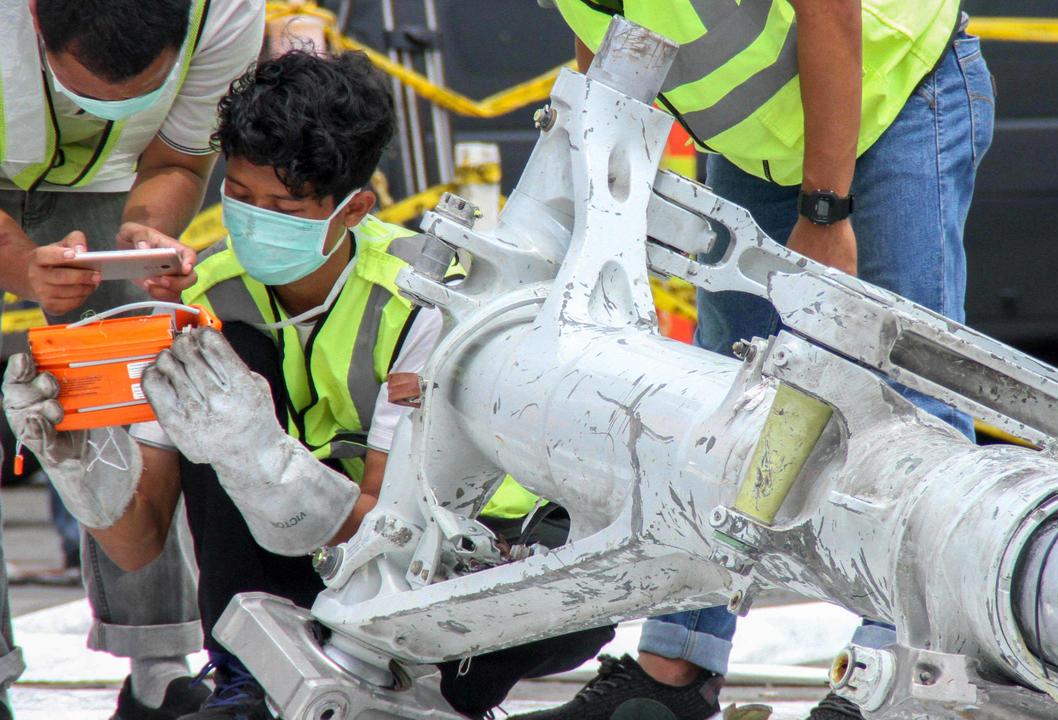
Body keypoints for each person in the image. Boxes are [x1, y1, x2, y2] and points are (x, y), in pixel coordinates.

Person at [5, 50, 613, 720]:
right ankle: (247, 681)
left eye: (285, 204)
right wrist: (80, 463)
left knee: (551, 610)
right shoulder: (204, 300)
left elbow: (394, 535)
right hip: (314, 555)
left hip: (464, 555)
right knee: (223, 359)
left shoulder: (425, 302)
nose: (255, 216)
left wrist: (264, 460)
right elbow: (140, 540)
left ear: (353, 210)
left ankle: (426, 690)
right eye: (238, 194)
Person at [519, 1, 995, 719]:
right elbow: (606, 42)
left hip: (894, 95)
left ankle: (902, 671)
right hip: (762, 148)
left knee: (908, 387)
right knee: (726, 397)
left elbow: (830, 14)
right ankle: (676, 662)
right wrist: (595, 200)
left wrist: (826, 212)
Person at [0, 1, 264, 718]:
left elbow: (178, 157)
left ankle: (157, 665)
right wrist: (23, 267)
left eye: (138, 88)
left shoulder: (225, 12)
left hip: (111, 179)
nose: (103, 106)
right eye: (83, 86)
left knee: (141, 390)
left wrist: (147, 231)